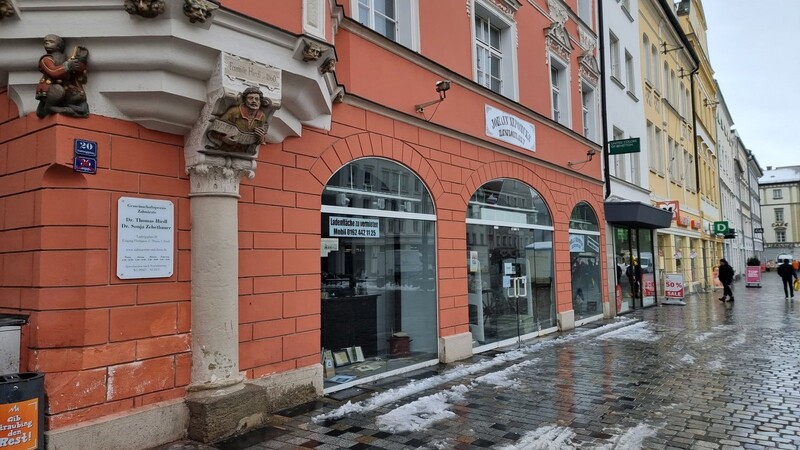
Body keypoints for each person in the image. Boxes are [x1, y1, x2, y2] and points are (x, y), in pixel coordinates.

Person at [36, 34, 89, 118]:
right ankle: (49, 107)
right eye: (45, 42)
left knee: (79, 95)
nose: (47, 44)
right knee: (58, 90)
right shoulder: (46, 59)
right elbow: (52, 71)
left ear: (60, 45)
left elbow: (74, 71)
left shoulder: (65, 57)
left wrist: (80, 62)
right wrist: (67, 66)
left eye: (51, 41)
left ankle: (77, 108)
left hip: (66, 86)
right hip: (51, 87)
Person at [207, 87, 269, 153]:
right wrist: (223, 138)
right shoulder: (234, 112)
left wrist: (261, 138)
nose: (254, 101)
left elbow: (260, 140)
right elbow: (214, 132)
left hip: (246, 153)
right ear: (245, 101)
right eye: (250, 98)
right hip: (226, 150)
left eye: (257, 99)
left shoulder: (262, 116)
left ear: (260, 102)